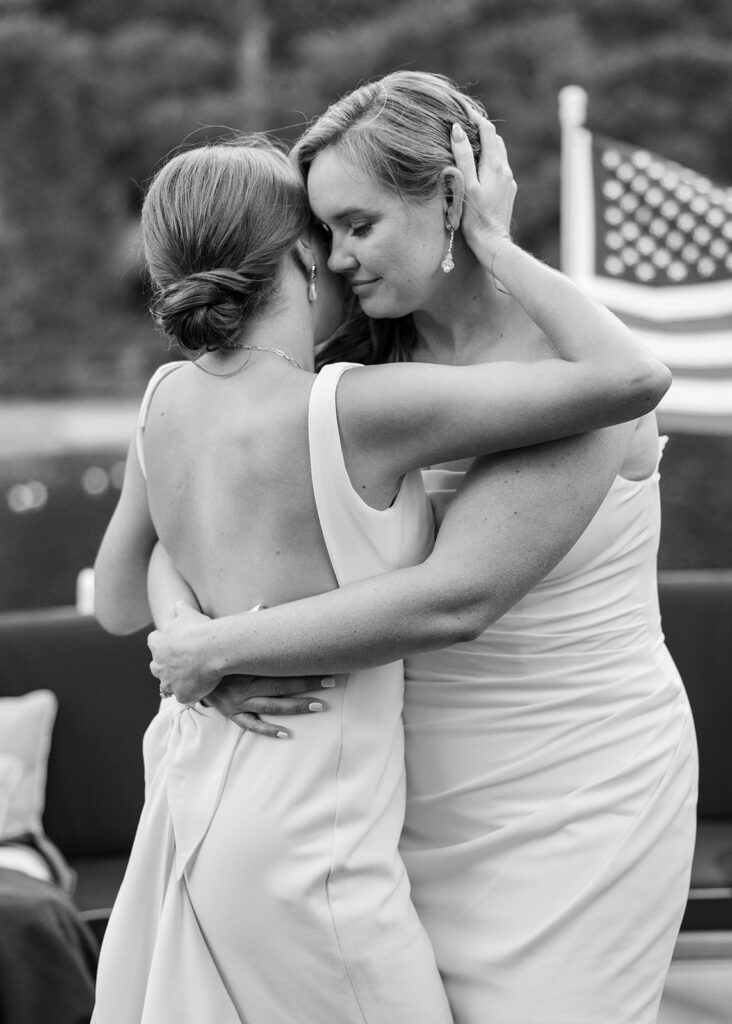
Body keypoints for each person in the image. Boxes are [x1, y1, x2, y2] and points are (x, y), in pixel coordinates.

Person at [146, 73, 697, 1024]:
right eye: (322, 236)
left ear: (451, 197)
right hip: (394, 785)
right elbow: (182, 515)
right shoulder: (365, 367)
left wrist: (224, 648)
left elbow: (459, 597)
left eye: (361, 225)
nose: (338, 260)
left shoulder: (570, 374)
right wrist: (185, 635)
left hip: (571, 783)